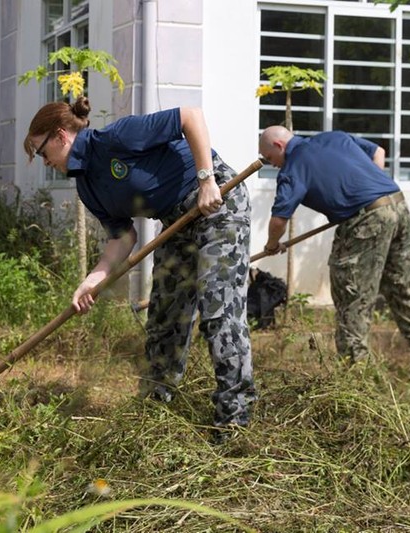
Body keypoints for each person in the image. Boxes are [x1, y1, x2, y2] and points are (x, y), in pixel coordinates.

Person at [24, 97, 256, 433]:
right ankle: (155, 411)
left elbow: (190, 117)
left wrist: (207, 180)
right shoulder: (88, 186)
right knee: (164, 317)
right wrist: (92, 280)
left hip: (218, 202)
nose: (45, 162)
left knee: (218, 308)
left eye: (42, 151)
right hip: (177, 220)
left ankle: (234, 418)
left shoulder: (118, 137)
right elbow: (122, 238)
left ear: (61, 136)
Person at [258, 125, 410, 377]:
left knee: (352, 294)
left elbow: (279, 219)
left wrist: (271, 245)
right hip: (397, 205)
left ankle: (356, 376)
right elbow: (378, 151)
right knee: (403, 284)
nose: (272, 165)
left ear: (279, 146)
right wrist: (369, 190)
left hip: (366, 220)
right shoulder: (334, 137)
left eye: (269, 159)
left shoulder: (294, 166)